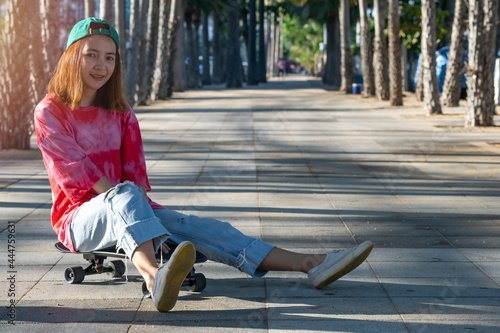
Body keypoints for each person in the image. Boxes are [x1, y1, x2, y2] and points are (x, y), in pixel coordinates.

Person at [34, 18, 374, 313]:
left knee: (208, 229)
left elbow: (135, 176)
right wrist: (143, 223)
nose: (101, 65)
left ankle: (311, 264)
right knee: (125, 197)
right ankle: (155, 278)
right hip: (78, 220)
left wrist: (156, 226)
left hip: (130, 205)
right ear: (71, 58)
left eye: (109, 57)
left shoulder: (120, 110)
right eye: (90, 55)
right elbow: (78, 173)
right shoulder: (50, 111)